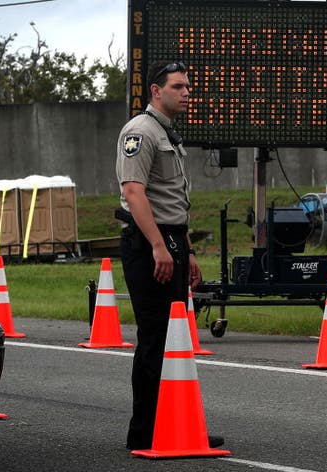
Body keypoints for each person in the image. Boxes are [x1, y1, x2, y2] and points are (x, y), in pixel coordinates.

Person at [115, 60, 221, 451]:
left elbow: (173, 201)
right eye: (178, 86)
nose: (187, 92)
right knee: (156, 336)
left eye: (188, 86)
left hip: (172, 240)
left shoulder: (167, 133)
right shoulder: (140, 132)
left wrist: (186, 250)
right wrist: (159, 245)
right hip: (148, 245)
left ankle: (175, 421)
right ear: (156, 91)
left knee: (175, 338)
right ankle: (145, 429)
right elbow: (134, 192)